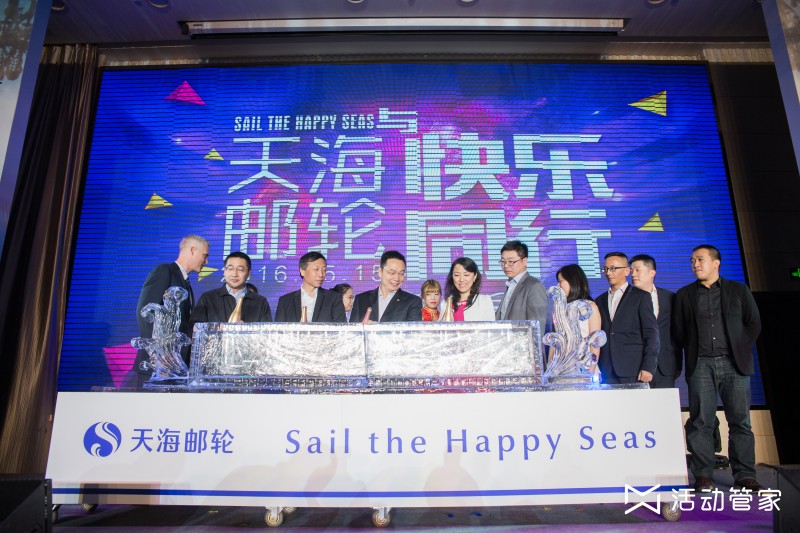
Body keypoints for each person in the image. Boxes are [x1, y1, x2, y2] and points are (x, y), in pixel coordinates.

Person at [673, 245, 762, 492]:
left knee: (740, 421)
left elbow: (753, 324)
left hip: (734, 364)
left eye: (700, 260)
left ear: (716, 263)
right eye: (692, 261)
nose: (695, 265)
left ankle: (745, 475)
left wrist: (738, 348)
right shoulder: (684, 295)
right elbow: (680, 332)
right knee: (701, 422)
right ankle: (703, 475)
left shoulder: (738, 290)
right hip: (701, 364)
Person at [134, 234, 209, 383]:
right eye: (204, 255)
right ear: (193, 250)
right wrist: (159, 356)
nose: (206, 261)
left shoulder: (185, 282)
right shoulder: (165, 271)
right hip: (156, 367)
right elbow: (145, 312)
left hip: (174, 367)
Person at [594, 252, 659, 384]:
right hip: (607, 369)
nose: (608, 273)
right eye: (605, 269)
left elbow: (651, 334)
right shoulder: (600, 300)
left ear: (627, 271)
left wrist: (648, 367)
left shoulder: (641, 297)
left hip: (633, 368)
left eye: (613, 268)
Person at [629, 254, 682, 388]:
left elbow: (676, 333)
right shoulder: (626, 300)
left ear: (652, 273)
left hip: (665, 367)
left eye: (637, 270)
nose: (633, 274)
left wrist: (677, 364)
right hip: (636, 366)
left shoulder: (670, 297)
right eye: (631, 271)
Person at [188, 251, 272, 328]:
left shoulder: (260, 302)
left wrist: (246, 330)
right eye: (230, 269)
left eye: (240, 269)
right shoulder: (208, 298)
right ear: (224, 271)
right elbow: (194, 329)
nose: (234, 274)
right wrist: (218, 329)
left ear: (249, 273)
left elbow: (267, 333)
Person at [351, 250, 422, 322]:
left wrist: (376, 327)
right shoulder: (361, 299)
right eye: (392, 272)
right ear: (380, 272)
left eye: (401, 273)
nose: (397, 278)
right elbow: (352, 328)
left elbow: (412, 328)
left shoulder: (413, 302)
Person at [275, 251, 346, 323]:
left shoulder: (334, 298)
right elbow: (278, 328)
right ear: (302, 271)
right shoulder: (285, 301)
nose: (321, 274)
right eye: (316, 269)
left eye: (324, 270)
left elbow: (340, 327)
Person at [555, 264, 601, 366]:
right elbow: (555, 343)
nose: (558, 286)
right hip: (561, 367)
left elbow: (595, 344)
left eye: (560, 281)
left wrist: (590, 371)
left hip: (583, 367)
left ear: (572, 281)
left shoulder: (590, 307)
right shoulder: (560, 308)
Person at [496, 240, 547, 329]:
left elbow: (537, 326)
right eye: (503, 261)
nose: (506, 265)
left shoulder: (534, 286)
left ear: (524, 261)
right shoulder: (510, 284)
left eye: (511, 261)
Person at [442, 257, 495, 321]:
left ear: (475, 277)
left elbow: (490, 326)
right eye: (457, 275)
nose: (461, 279)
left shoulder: (484, 301)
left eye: (466, 275)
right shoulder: (445, 303)